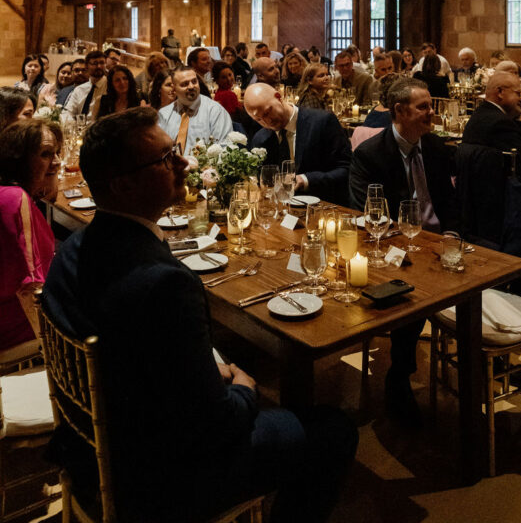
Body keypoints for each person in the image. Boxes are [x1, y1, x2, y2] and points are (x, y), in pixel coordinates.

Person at [42, 108, 357, 523]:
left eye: (176, 151)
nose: (185, 163)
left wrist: (208, 372)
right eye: (165, 159)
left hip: (93, 445)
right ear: (123, 185)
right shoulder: (163, 284)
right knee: (333, 429)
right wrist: (245, 388)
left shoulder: (75, 248)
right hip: (160, 477)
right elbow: (214, 425)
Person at [349, 78, 458, 423]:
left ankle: (489, 358)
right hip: (396, 246)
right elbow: (365, 214)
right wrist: (409, 243)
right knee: (414, 293)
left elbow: (452, 204)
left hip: (440, 241)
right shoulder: (370, 155)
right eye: (423, 107)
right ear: (399, 111)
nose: (432, 113)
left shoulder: (437, 149)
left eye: (431, 105)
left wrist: (453, 234)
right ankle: (400, 375)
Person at [0, 119, 61, 353]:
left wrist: (49, 176)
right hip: (20, 337)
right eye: (45, 154)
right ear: (19, 159)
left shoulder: (8, 193)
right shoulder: (16, 199)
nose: (56, 161)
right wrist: (50, 349)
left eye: (56, 153)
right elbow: (31, 288)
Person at [244, 83, 351, 203]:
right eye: (258, 119)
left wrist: (305, 179)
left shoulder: (322, 122)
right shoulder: (261, 138)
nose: (267, 121)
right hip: (280, 211)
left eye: (268, 112)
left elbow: (346, 170)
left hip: (323, 205)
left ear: (279, 97)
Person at [461, 70, 521, 190]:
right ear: (500, 92)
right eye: (518, 94)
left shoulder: (480, 114)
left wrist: (518, 118)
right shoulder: (500, 124)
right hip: (505, 198)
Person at [158, 66, 232, 151]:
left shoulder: (215, 111)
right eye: (185, 84)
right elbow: (159, 148)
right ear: (174, 89)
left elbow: (224, 147)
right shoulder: (164, 114)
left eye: (194, 81)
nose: (191, 86)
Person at [64, 49, 107, 118]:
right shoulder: (79, 89)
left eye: (102, 63)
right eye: (95, 63)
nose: (99, 66)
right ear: (87, 66)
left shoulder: (110, 86)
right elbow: (68, 112)